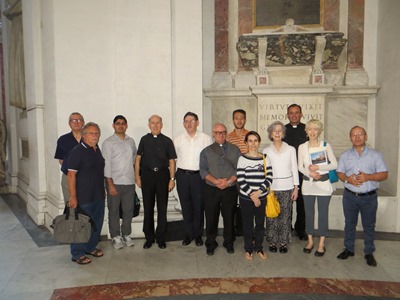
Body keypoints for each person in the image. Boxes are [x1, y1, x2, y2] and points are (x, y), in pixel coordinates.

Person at [336, 126, 388, 267]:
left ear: (366, 137)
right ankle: (349, 249)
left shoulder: (375, 155)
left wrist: (368, 177)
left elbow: (384, 174)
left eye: (360, 134)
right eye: (354, 134)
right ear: (350, 137)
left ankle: (369, 252)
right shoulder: (345, 155)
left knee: (369, 225)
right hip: (350, 196)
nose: (357, 137)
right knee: (349, 224)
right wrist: (348, 179)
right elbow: (339, 173)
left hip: (369, 197)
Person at [135, 115, 177, 250]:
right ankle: (149, 238)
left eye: (157, 123)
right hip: (147, 176)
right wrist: (137, 177)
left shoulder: (167, 141)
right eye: (152, 123)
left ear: (161, 124)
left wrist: (172, 179)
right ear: (149, 125)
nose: (155, 125)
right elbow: (137, 160)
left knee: (162, 208)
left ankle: (161, 238)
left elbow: (172, 161)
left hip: (163, 176)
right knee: (148, 208)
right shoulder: (144, 140)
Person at [200, 123, 241, 256]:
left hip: (229, 188)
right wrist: (216, 181)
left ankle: (229, 242)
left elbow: (238, 169)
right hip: (211, 188)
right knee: (211, 216)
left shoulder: (235, 150)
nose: (221, 135)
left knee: (229, 216)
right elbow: (203, 170)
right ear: (213, 134)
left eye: (223, 132)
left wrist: (228, 182)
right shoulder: (206, 151)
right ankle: (211, 243)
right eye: (218, 132)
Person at [297, 119, 337, 257]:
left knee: (322, 214)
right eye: (310, 129)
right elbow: (300, 166)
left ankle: (321, 243)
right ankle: (310, 241)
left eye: (315, 129)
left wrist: (319, 167)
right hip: (308, 184)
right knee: (308, 214)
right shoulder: (302, 147)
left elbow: (334, 165)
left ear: (319, 131)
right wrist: (310, 173)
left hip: (324, 185)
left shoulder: (325, 145)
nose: (312, 132)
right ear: (306, 131)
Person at [67, 122, 105, 265]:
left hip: (98, 195)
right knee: (80, 226)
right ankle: (77, 253)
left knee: (96, 224)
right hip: (83, 197)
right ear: (84, 135)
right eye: (91, 133)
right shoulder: (77, 151)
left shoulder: (96, 150)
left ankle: (90, 247)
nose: (95, 136)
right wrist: (73, 196)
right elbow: (71, 175)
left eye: (97, 133)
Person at [174, 112, 212, 247]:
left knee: (199, 206)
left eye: (191, 120)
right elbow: (174, 160)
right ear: (183, 123)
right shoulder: (178, 139)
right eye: (186, 121)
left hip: (199, 177)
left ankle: (198, 235)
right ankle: (188, 234)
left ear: (197, 122)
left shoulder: (205, 139)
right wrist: (172, 177)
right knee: (186, 206)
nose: (189, 123)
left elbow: (209, 159)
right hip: (182, 176)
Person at [263, 121, 299, 254]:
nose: (277, 133)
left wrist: (296, 187)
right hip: (271, 188)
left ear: (283, 134)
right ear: (271, 134)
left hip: (287, 187)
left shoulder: (291, 149)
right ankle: (272, 241)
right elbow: (265, 171)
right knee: (271, 216)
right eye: (274, 130)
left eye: (280, 130)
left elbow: (294, 168)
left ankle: (283, 242)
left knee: (285, 217)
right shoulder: (266, 150)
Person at [102, 115, 137, 250]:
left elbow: (134, 160)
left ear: (126, 125)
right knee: (114, 210)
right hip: (114, 182)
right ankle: (115, 236)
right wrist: (109, 184)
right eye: (118, 123)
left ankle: (126, 234)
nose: (120, 125)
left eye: (123, 123)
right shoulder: (108, 143)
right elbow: (106, 165)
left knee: (128, 210)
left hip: (129, 182)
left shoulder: (131, 142)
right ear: (113, 126)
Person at [237, 131, 273, 260]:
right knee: (247, 224)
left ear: (259, 142)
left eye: (255, 140)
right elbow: (241, 179)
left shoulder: (265, 158)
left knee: (259, 224)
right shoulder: (242, 159)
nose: (253, 143)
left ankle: (259, 248)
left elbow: (269, 178)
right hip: (246, 198)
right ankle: (248, 249)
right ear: (246, 143)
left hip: (261, 197)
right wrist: (252, 196)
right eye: (250, 141)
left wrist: (258, 194)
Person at [283, 104, 308, 241]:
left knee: (301, 202)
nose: (294, 115)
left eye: (296, 112)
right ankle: (287, 227)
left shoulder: (307, 129)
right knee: (287, 202)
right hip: (287, 172)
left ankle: (300, 229)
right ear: (287, 115)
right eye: (291, 113)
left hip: (302, 171)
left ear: (301, 114)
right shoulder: (283, 130)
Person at [226, 109, 249, 236]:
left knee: (246, 204)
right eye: (236, 118)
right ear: (233, 120)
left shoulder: (250, 136)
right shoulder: (228, 137)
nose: (239, 120)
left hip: (246, 176)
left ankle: (245, 230)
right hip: (232, 176)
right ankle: (232, 231)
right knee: (231, 205)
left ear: (245, 120)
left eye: (241, 118)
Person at [54, 112, 85, 203]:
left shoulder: (89, 138)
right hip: (68, 177)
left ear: (83, 123)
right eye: (73, 120)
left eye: (79, 120)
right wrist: (71, 172)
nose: (76, 122)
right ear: (69, 123)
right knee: (71, 204)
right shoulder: (63, 140)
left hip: (86, 178)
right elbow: (61, 160)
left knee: (85, 205)